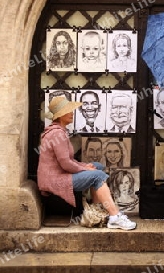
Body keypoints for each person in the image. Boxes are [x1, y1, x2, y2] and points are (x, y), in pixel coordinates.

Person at [37, 95, 136, 230]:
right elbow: (65, 164)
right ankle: (114, 216)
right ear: (60, 115)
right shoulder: (57, 134)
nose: (72, 113)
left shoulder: (59, 131)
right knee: (97, 175)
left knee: (98, 167)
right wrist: (86, 169)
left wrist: (85, 166)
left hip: (60, 174)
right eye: (68, 111)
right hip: (56, 180)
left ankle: (96, 210)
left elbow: (68, 161)